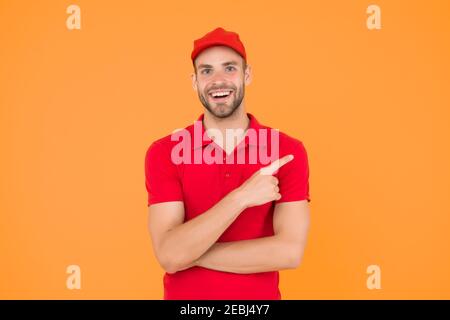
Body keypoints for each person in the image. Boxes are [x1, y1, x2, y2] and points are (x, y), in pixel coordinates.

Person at [144, 27, 311, 299]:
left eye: (229, 68)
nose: (218, 80)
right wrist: (242, 197)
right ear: (194, 81)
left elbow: (289, 252)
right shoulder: (165, 152)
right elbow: (170, 256)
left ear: (247, 75)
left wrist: (190, 252)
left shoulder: (287, 151)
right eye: (206, 71)